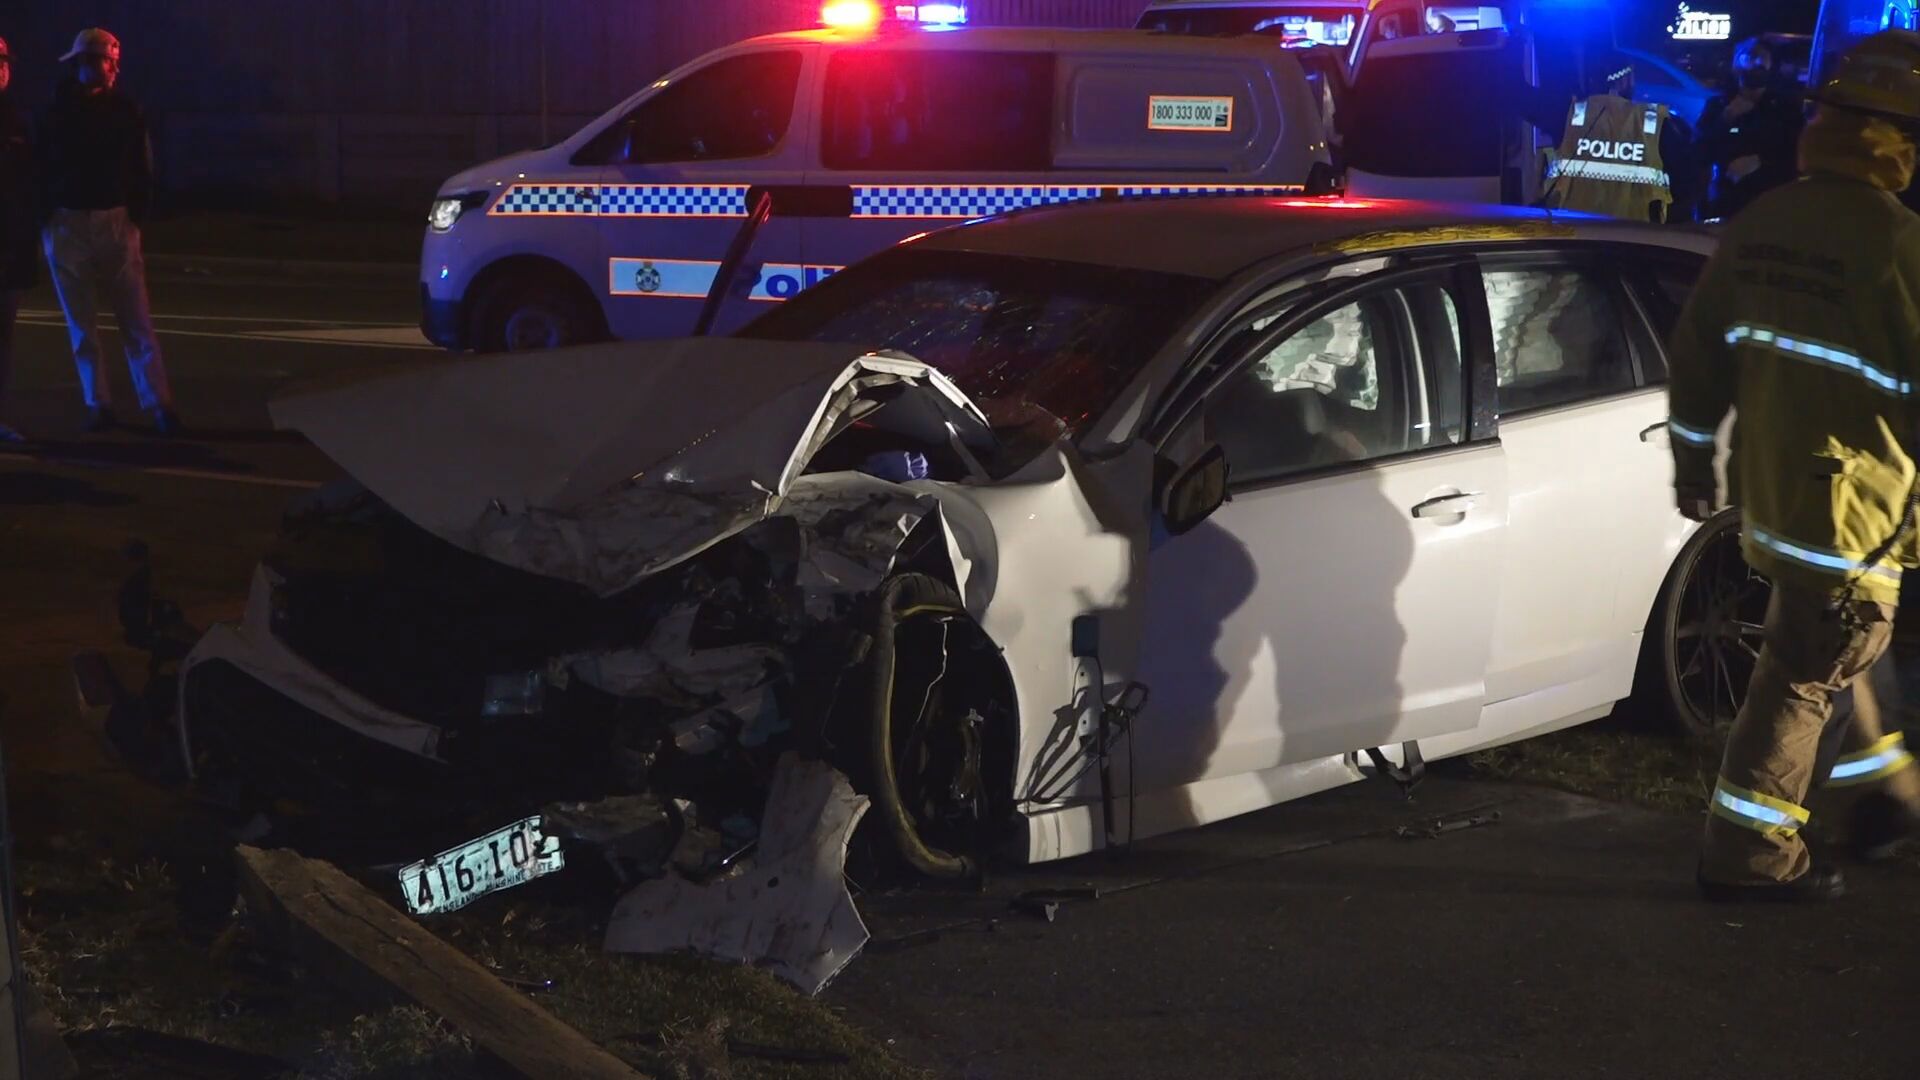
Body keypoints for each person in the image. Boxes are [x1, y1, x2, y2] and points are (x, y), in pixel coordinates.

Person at [1667, 29, 1920, 903]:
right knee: (1807, 678)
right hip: (1858, 519)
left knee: (1829, 655)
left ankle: (1882, 803)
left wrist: (1692, 459)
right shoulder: (1898, 245)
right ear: (1898, 141)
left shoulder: (1766, 219)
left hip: (1775, 499)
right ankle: (1750, 860)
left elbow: (1700, 352)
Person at [38, 27, 177, 436]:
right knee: (90, 323)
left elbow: (142, 167)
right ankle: (105, 404)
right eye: (107, 62)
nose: (113, 70)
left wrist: (135, 216)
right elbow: (42, 166)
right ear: (91, 63)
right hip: (71, 219)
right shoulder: (60, 112)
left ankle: (153, 404)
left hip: (107, 218)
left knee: (131, 319)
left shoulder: (122, 110)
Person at [1539, 57, 1699, 222]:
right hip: (1633, 238)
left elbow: (1523, 99)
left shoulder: (1571, 115)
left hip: (1577, 234)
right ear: (1626, 80)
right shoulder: (1652, 122)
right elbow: (1687, 185)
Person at [1697, 37, 1807, 220]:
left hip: (1771, 207)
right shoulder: (1719, 106)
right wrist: (1726, 118)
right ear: (1735, 65)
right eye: (1749, 57)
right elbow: (1699, 150)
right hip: (1727, 206)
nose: (1755, 64)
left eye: (1762, 58)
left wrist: (1761, 161)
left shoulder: (1785, 108)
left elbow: (1798, 155)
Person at [0, 36, 33, 443]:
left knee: (2, 335)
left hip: (8, 244)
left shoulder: (15, 117)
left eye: (4, 60)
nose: (2, 68)